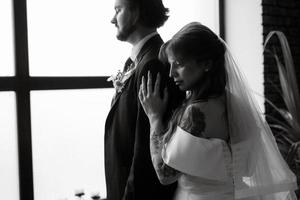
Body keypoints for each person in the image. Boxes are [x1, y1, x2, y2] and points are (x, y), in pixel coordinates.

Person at [138, 22, 298, 200]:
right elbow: (250, 167)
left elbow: (164, 175)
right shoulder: (237, 105)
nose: (171, 73)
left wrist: (154, 118)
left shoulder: (196, 112)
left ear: (206, 64)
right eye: (170, 65)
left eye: (179, 64)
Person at [104, 0, 185, 199]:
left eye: (118, 10)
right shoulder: (137, 60)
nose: (112, 19)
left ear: (136, 11)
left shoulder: (153, 64)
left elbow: (145, 151)